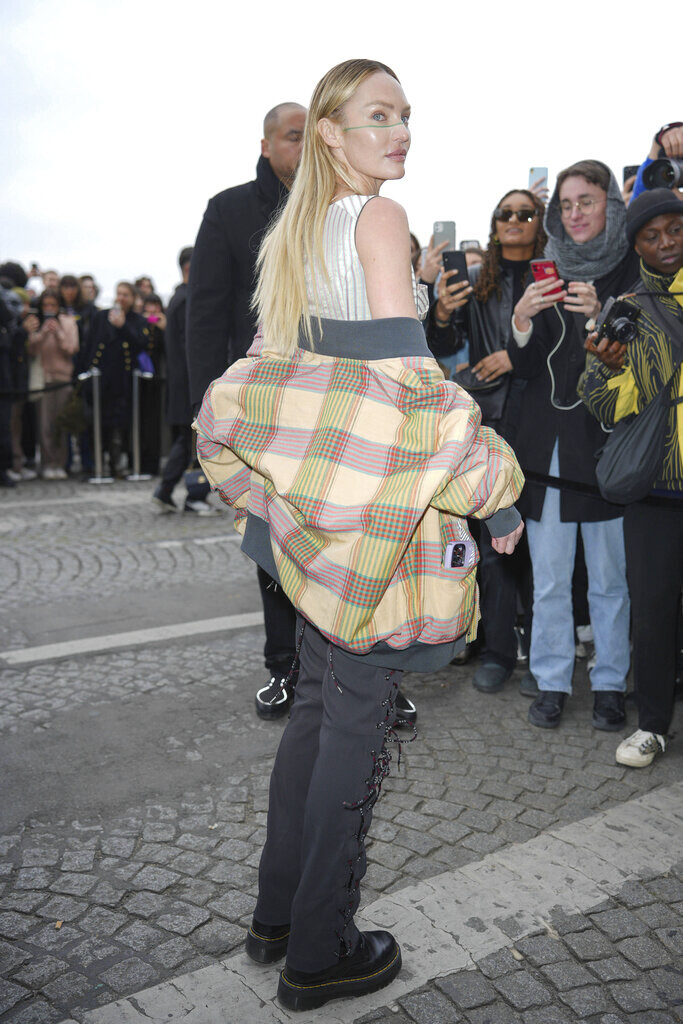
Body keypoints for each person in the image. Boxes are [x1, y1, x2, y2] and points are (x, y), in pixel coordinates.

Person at [194, 58, 524, 1012]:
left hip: (312, 514)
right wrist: (495, 496)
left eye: (405, 114)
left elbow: (293, 371)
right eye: (378, 115)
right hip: (379, 519)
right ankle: (321, 947)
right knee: (355, 721)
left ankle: (277, 918)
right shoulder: (377, 218)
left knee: (314, 710)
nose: (400, 131)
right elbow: (418, 395)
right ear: (330, 132)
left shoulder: (298, 231)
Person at [186, 99, 310, 719]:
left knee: (344, 536)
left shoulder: (342, 207)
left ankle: (356, 673)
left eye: (312, 136)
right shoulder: (229, 209)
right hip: (259, 408)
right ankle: (284, 665)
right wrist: (207, 415)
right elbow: (205, 316)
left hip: (333, 399)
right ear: (266, 145)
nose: (304, 146)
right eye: (293, 136)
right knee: (270, 538)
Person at [509, 160, 637, 731]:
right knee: (551, 579)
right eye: (565, 204)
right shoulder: (546, 272)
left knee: (610, 579)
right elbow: (525, 368)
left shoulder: (634, 266)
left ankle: (610, 682)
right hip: (549, 446)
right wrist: (521, 320)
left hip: (607, 443)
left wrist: (604, 319)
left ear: (611, 204)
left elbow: (646, 358)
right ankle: (552, 680)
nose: (575, 213)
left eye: (586, 201)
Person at [578, 189, 683, 767]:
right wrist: (609, 369)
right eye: (652, 234)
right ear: (636, 245)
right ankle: (652, 725)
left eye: (676, 229)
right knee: (654, 607)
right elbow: (599, 403)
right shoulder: (626, 309)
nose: (666, 242)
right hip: (655, 485)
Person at [427, 189, 546, 696]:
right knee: (494, 547)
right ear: (495, 224)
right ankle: (497, 651)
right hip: (491, 420)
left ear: (540, 222)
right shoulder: (477, 280)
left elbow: (564, 347)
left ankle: (543, 654)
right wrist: (440, 313)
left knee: (545, 548)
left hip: (543, 420)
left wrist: (514, 357)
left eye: (525, 212)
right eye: (505, 213)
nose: (514, 219)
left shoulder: (550, 275)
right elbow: (445, 344)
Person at [153, 247, 215, 513]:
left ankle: (168, 491)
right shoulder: (188, 299)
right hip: (190, 382)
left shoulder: (178, 298)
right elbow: (194, 345)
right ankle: (192, 495)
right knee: (192, 440)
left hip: (182, 381)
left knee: (185, 440)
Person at [86, 282, 147, 477]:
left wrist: (123, 327)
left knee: (120, 425)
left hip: (124, 381)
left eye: (125, 295)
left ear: (133, 298)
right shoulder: (102, 316)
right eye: (119, 293)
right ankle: (96, 465)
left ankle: (116, 463)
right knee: (97, 423)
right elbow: (90, 344)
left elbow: (141, 344)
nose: (121, 298)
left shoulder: (137, 320)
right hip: (101, 379)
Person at [27, 289, 79, 479]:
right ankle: (47, 462)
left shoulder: (68, 322)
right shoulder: (36, 322)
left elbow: (72, 349)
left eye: (53, 305)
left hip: (62, 379)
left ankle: (61, 462)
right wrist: (42, 332)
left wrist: (58, 333)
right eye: (46, 305)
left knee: (61, 424)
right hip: (43, 379)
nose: (49, 309)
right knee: (44, 425)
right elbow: (31, 350)